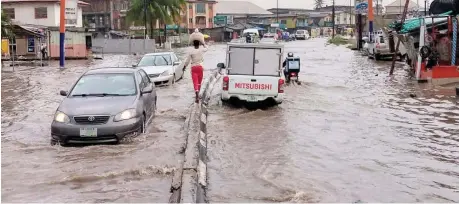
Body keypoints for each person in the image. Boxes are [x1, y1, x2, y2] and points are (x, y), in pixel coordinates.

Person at [184, 33, 208, 103]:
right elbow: (207, 48)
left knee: (195, 82)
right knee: (199, 82)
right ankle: (198, 94)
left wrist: (184, 67)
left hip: (193, 68)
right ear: (199, 44)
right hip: (200, 67)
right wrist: (203, 43)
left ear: (193, 44)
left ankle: (196, 95)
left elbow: (187, 61)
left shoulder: (191, 51)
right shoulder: (201, 50)